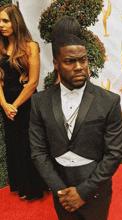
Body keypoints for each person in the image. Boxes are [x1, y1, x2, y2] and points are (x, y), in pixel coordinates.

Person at [29, 18, 122, 219]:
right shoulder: (40, 102)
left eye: (83, 60)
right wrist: (60, 191)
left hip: (96, 186)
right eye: (70, 61)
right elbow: (38, 151)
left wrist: (83, 192)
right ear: (56, 64)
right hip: (59, 186)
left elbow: (114, 153)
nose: (79, 66)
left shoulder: (109, 101)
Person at [0, 4, 47, 200]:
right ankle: (21, 185)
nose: (1, 25)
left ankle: (34, 188)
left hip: (26, 103)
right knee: (14, 145)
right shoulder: (0, 47)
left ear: (16, 21)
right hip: (6, 103)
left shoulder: (31, 46)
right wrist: (4, 105)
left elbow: (33, 82)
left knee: (29, 145)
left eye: (5, 20)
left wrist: (15, 106)